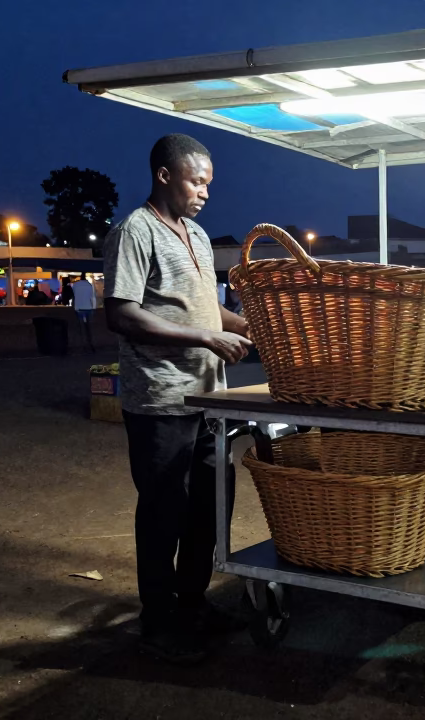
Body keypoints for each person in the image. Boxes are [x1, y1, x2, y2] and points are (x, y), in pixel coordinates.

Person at [103, 133, 252, 665]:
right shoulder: (134, 231)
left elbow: (206, 310)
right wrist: (205, 338)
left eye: (209, 184)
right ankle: (158, 618)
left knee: (210, 507)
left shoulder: (197, 234)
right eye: (196, 181)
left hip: (211, 398)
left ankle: (192, 602)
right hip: (162, 399)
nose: (205, 192)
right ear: (164, 175)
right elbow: (121, 313)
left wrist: (248, 324)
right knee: (165, 508)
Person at [70, 273, 98, 352]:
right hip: (88, 308)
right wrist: (94, 307)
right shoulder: (89, 285)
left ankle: (84, 345)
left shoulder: (75, 285)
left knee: (81, 328)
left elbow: (74, 296)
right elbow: (93, 297)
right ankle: (92, 345)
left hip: (79, 308)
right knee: (90, 328)